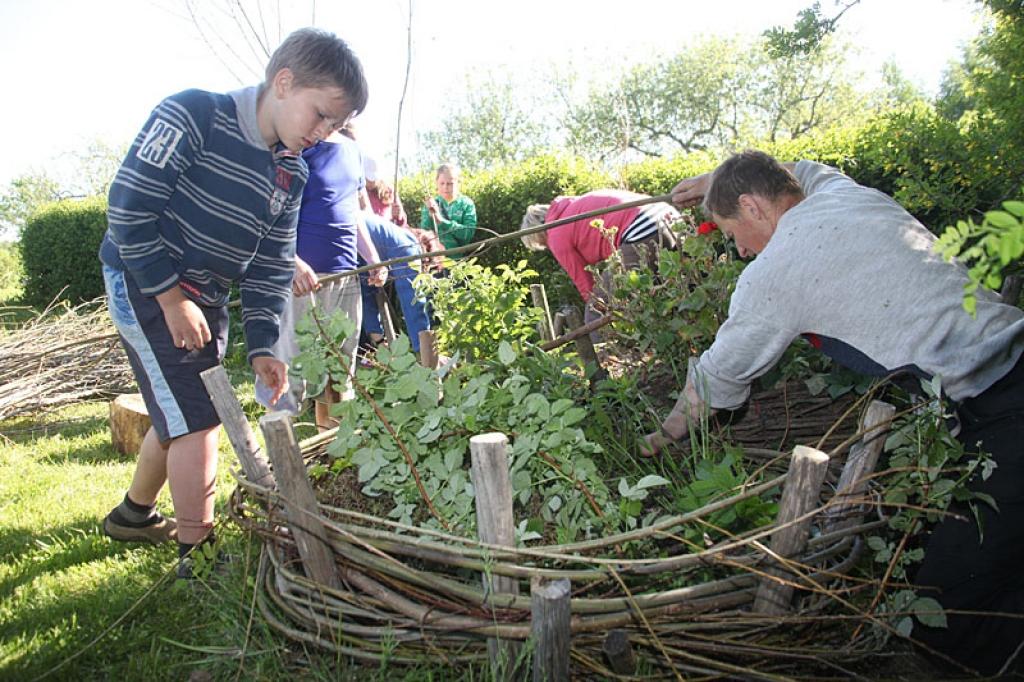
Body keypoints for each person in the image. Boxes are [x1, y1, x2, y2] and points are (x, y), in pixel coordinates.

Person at [643, 150, 1024, 675]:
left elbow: (715, 379)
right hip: (1005, 374)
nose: (739, 249)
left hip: (1004, 406)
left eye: (733, 234)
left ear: (752, 207)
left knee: (953, 603)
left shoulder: (776, 273)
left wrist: (658, 440)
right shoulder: (844, 193)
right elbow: (801, 166)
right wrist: (714, 181)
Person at [97, 28, 368, 576]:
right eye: (320, 116)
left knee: (181, 407)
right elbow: (128, 211)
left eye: (335, 126)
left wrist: (266, 345)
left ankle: (133, 514)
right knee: (201, 418)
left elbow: (271, 267)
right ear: (284, 83)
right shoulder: (193, 115)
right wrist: (172, 300)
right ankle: (199, 554)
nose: (323, 133)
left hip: (206, 296)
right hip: (145, 279)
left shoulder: (290, 173)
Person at [271, 129, 387, 432]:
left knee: (339, 370)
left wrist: (372, 257)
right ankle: (282, 461)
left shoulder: (351, 150)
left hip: (346, 275)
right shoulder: (295, 142)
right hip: (300, 281)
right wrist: (291, 262)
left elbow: (354, 213)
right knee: (290, 370)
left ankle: (333, 455)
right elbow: (267, 212)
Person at [520, 190, 679, 326]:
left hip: (642, 228)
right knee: (671, 288)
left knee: (595, 312)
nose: (547, 246)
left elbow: (585, 282)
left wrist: (598, 305)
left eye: (542, 243)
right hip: (669, 217)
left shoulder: (555, 233)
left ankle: (603, 359)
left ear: (539, 233)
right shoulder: (574, 205)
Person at [359, 214, 432, 354]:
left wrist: (379, 343)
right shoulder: (409, 245)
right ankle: (425, 354)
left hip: (341, 232)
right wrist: (425, 351)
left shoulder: (383, 236)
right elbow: (413, 300)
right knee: (413, 297)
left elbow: (366, 294)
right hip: (352, 231)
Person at [420, 163, 477, 260]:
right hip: (435, 261)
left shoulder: (466, 204)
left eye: (450, 183)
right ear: (436, 183)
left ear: (458, 183)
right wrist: (430, 216)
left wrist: (442, 222)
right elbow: (424, 233)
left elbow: (468, 233)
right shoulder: (431, 203)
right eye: (442, 183)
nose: (445, 187)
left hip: (457, 260)